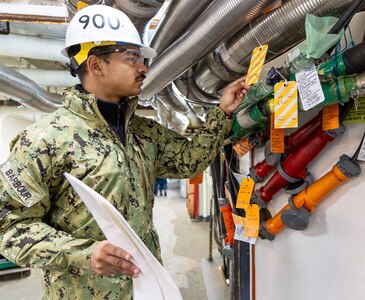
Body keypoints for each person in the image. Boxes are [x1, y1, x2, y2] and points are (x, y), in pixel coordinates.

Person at [0, 4, 250, 300]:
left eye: (141, 59)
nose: (143, 68)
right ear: (96, 65)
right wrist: (85, 253)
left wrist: (222, 113)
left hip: (145, 289)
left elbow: (188, 162)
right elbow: (10, 229)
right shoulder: (44, 140)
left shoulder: (144, 133)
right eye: (131, 58)